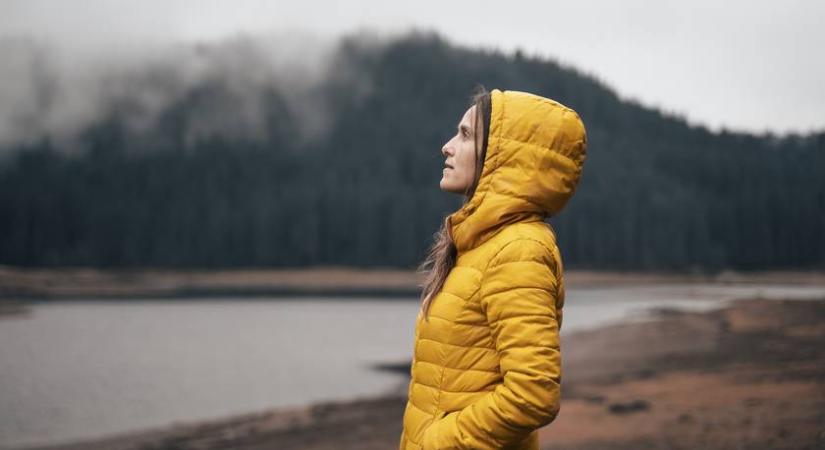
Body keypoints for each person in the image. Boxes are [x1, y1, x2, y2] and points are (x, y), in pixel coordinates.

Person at [397, 85, 587, 450]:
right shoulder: (481, 244)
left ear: (505, 156)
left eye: (465, 135)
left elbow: (533, 395)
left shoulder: (519, 250)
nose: (447, 146)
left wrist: (436, 443)